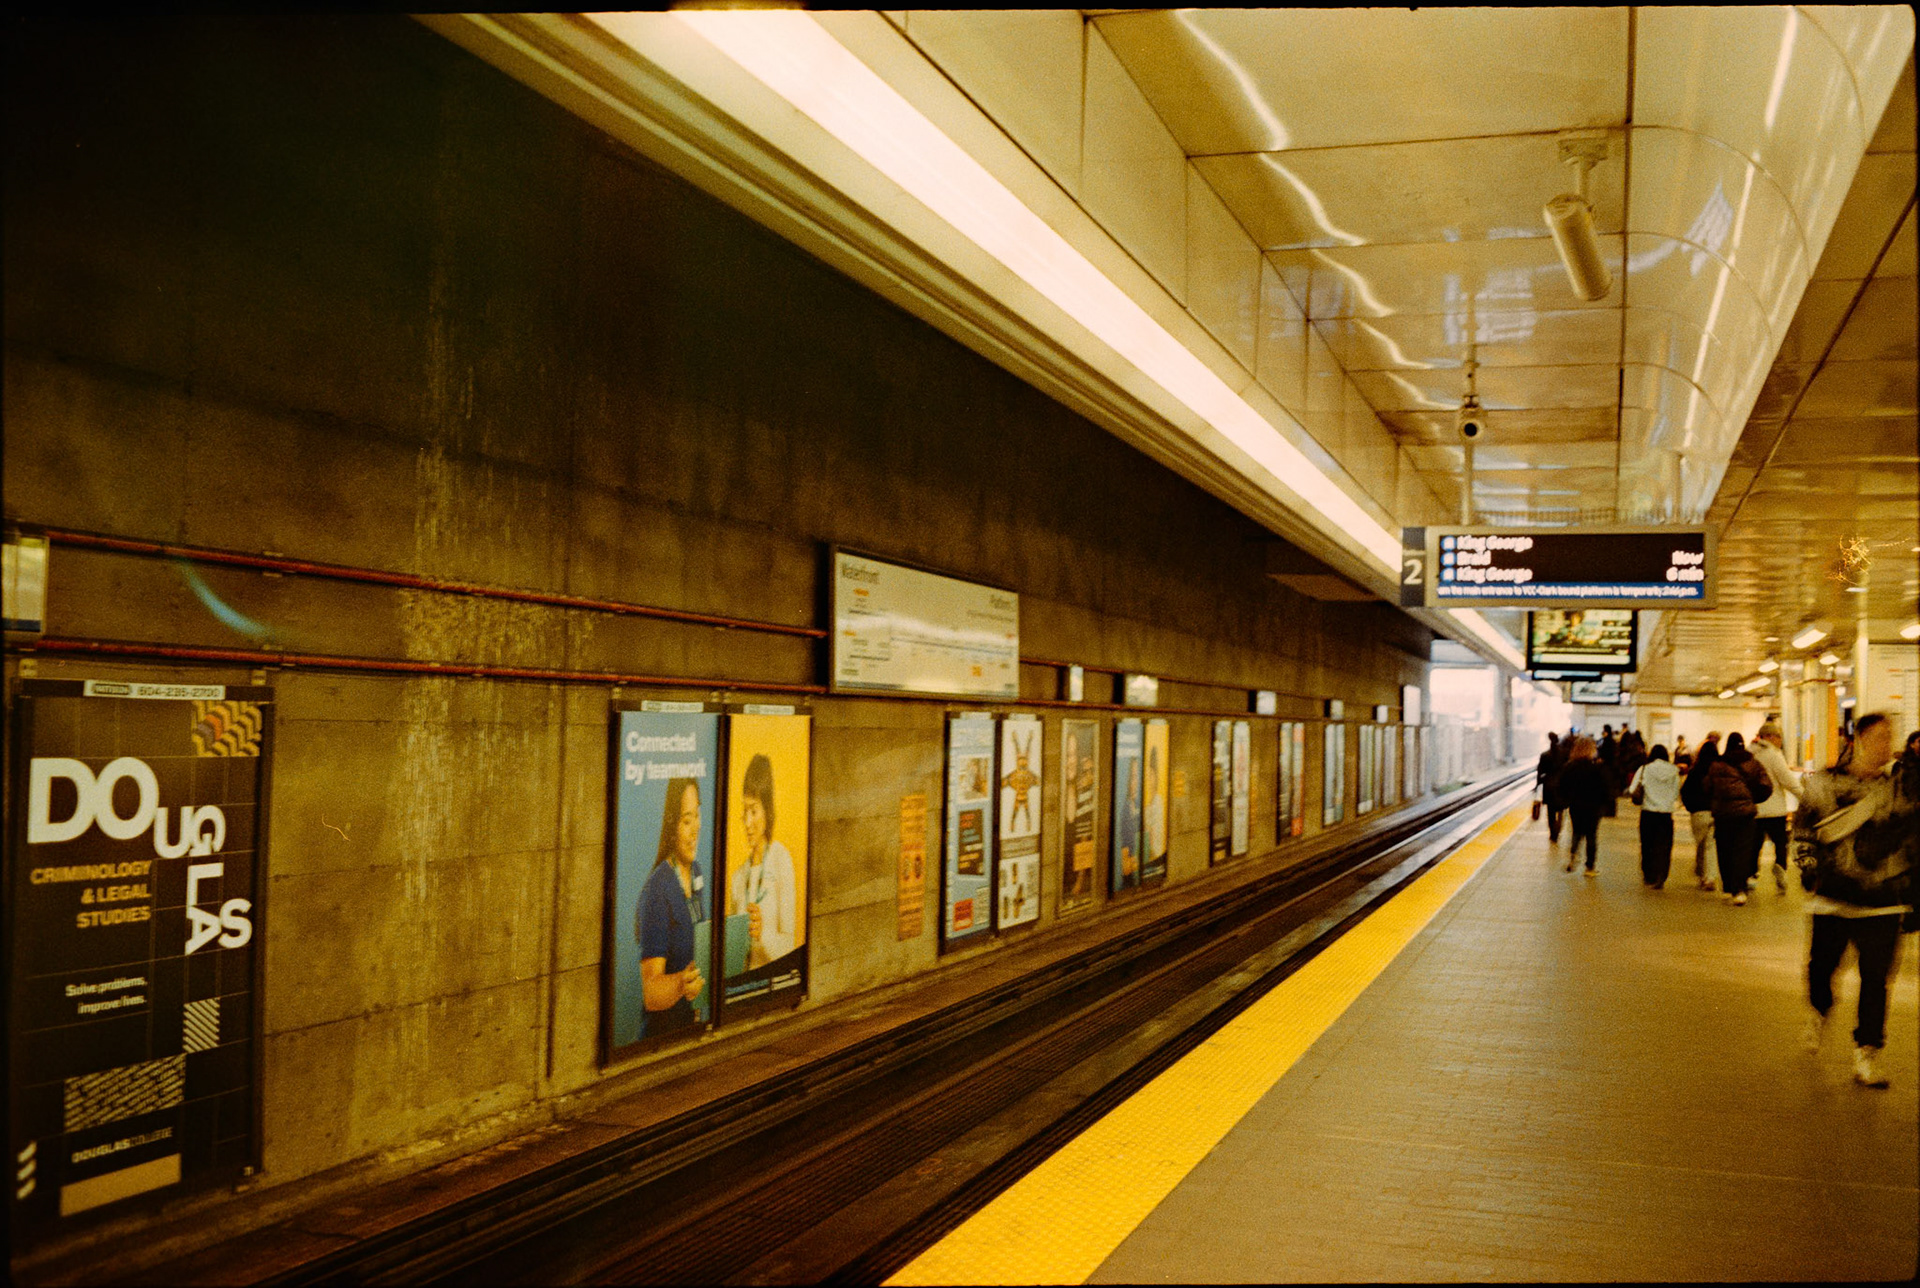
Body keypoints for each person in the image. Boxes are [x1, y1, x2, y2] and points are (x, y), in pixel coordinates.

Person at [1793, 712, 1918, 1088]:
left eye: (1890, 737)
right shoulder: (1824, 783)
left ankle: (1867, 1052)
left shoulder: (1900, 789)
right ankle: (1819, 1010)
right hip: (1832, 897)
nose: (1886, 744)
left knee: (1877, 980)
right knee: (1821, 969)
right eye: (1879, 736)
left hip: (1885, 899)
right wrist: (1809, 868)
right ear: (1859, 739)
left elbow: (1914, 842)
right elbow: (1803, 830)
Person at [637, 777, 708, 1038]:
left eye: (697, 816)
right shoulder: (658, 890)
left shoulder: (696, 871)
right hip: (662, 1035)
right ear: (672, 826)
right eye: (686, 821)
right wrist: (681, 983)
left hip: (691, 1028)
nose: (695, 828)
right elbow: (650, 993)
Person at [728, 754, 797, 970]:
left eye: (754, 811)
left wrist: (763, 934)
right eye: (744, 811)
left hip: (772, 980)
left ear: (767, 810)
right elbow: (734, 955)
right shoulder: (738, 877)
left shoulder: (781, 860)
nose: (747, 822)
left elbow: (790, 945)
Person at [1706, 731, 1773, 904]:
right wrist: (1752, 798)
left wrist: (1716, 800)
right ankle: (1740, 890)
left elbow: (1707, 787)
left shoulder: (1717, 765)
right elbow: (1766, 786)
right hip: (1745, 815)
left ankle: (1728, 888)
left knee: (1724, 850)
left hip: (1722, 814)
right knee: (1742, 851)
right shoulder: (1753, 763)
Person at [1750, 720, 1804, 895]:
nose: (1780, 741)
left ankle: (1752, 874)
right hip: (1774, 810)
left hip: (1754, 810)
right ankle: (1780, 867)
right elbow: (1787, 780)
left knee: (1754, 845)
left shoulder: (1749, 753)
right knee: (1781, 843)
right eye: (1779, 737)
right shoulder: (1773, 754)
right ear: (1769, 737)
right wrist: (1806, 797)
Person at [1627, 745, 1683, 888]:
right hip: (1666, 814)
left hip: (1648, 812)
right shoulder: (1674, 771)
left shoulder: (1645, 769)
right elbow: (1676, 793)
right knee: (1664, 846)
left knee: (1647, 845)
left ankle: (1649, 875)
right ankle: (1661, 875)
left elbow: (1632, 789)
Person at [1558, 736, 1611, 875]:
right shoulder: (1596, 768)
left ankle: (1573, 856)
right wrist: (1604, 804)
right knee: (1591, 835)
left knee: (1576, 832)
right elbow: (1605, 788)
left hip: (1576, 806)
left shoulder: (1569, 766)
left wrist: (1566, 800)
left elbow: (1561, 786)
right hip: (1593, 807)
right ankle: (1589, 867)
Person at [1681, 734, 1722, 890]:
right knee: (1711, 845)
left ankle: (1701, 874)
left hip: (1698, 814)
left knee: (1701, 844)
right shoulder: (1720, 770)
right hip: (1715, 812)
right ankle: (1709, 877)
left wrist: (1690, 807)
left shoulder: (1695, 771)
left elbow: (1685, 791)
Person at [1536, 731, 1567, 843]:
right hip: (1562, 786)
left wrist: (1537, 785)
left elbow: (1540, 772)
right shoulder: (1565, 754)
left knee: (1551, 811)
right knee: (1561, 810)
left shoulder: (1545, 755)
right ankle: (1558, 828)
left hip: (1549, 786)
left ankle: (1553, 833)